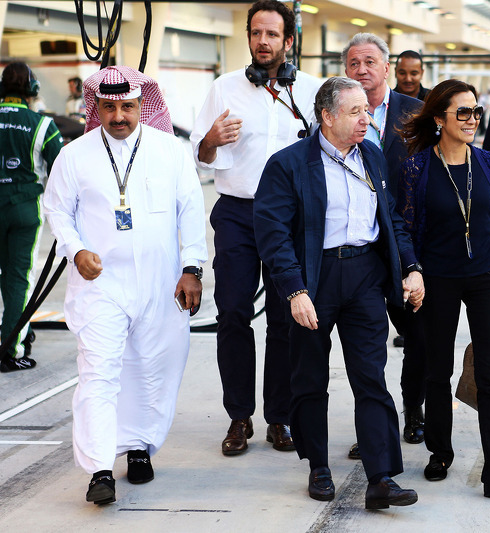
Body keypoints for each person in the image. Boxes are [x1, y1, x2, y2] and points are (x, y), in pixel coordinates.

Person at [254, 76, 424, 509]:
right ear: (327, 117)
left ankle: (381, 476)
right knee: (310, 378)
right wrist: (294, 290)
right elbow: (272, 234)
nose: (366, 119)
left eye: (367, 110)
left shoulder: (372, 155)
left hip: (365, 275)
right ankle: (318, 466)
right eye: (355, 112)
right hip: (314, 279)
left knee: (371, 377)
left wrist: (411, 266)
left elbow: (392, 220)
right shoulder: (289, 164)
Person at [42, 66, 207, 504]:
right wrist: (75, 250)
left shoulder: (170, 150)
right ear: (96, 106)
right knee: (99, 373)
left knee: (153, 367)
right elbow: (57, 210)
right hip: (100, 284)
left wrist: (193, 267)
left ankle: (139, 447)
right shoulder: (74, 156)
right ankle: (99, 469)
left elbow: (191, 209)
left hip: (161, 283)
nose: (119, 116)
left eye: (128, 107)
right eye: (109, 107)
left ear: (142, 106)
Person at [398, 79, 490, 502]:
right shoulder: (418, 168)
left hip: (486, 279)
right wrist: (413, 270)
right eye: (463, 112)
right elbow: (405, 228)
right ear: (440, 118)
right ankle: (440, 451)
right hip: (438, 279)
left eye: (476, 111)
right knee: (437, 370)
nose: (472, 119)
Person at [190, 0, 321, 457]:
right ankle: (238, 416)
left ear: (289, 41)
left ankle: (279, 418)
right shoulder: (223, 88)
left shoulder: (311, 91)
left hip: (291, 220)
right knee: (232, 313)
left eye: (271, 35)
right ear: (248, 37)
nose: (262, 42)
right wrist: (210, 141)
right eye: (255, 33)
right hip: (237, 214)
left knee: (287, 320)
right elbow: (200, 156)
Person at [343, 32, 425, 454]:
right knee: (366, 348)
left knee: (417, 337)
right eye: (354, 63)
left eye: (370, 62)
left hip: (408, 246)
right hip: (360, 248)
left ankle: (414, 412)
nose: (362, 70)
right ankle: (373, 429)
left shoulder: (416, 113)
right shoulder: (338, 114)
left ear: (386, 67)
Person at [0, 62, 63, 372]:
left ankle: (14, 330)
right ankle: (11, 347)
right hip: (24, 210)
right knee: (18, 279)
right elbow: (62, 173)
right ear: (33, 89)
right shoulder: (41, 125)